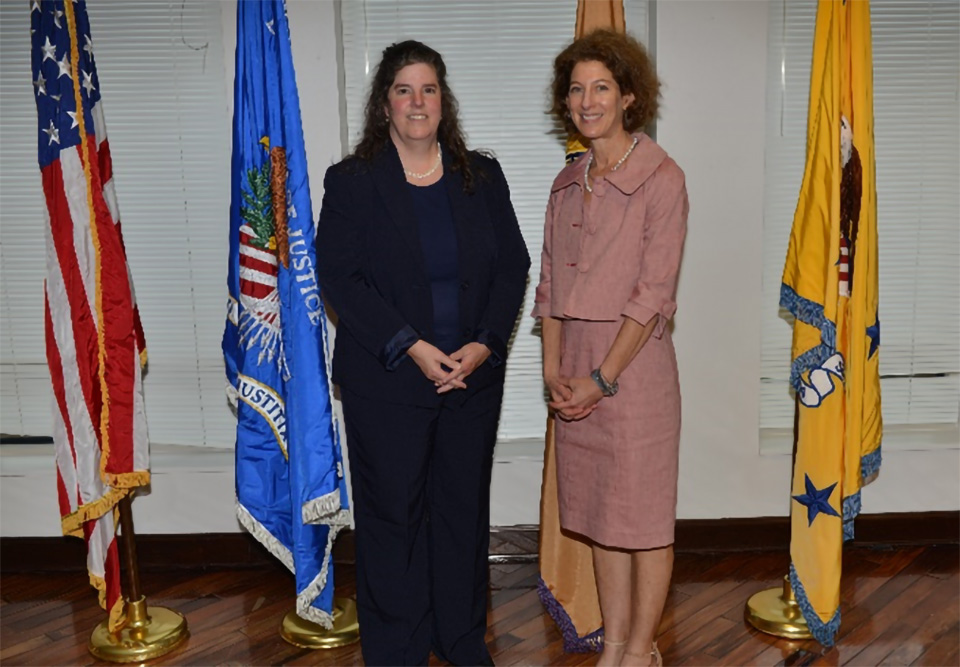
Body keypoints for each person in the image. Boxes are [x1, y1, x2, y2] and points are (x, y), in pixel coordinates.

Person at [316, 40, 530, 666]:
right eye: (404, 90)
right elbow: (340, 277)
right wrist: (410, 345)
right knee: (393, 523)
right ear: (385, 104)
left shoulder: (481, 176)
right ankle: (397, 649)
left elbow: (512, 268)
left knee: (462, 516)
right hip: (386, 384)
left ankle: (460, 638)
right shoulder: (353, 182)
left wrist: (485, 344)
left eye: (429, 89)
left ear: (444, 101)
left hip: (470, 380)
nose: (418, 101)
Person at [532, 29, 688, 667]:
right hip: (573, 370)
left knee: (643, 524)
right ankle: (616, 645)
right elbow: (549, 286)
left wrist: (602, 378)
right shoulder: (566, 182)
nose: (586, 100)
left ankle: (642, 649)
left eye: (601, 87)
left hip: (633, 368)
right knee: (600, 516)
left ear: (628, 97)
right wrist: (554, 373)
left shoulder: (662, 177)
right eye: (576, 89)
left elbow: (652, 294)